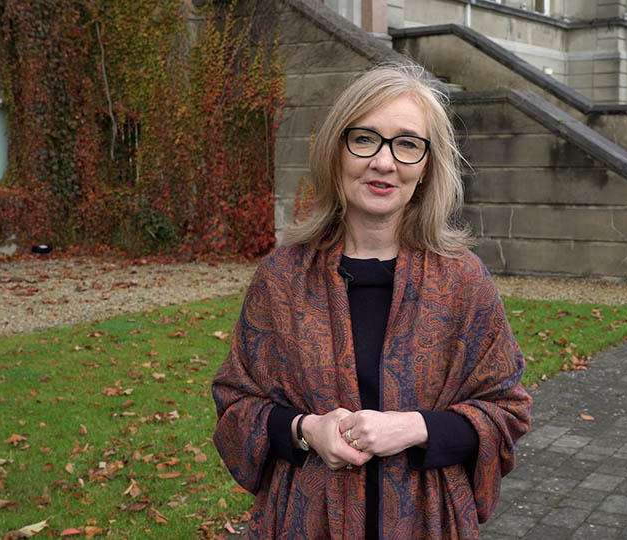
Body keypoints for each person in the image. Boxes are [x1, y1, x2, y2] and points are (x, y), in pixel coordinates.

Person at [212, 63, 532, 539]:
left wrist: (415, 427)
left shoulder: (462, 282)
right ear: (336, 151)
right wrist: (306, 430)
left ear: (426, 166)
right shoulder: (282, 278)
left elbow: (506, 410)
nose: (384, 162)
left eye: (407, 144)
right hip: (305, 521)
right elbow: (237, 403)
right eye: (365, 139)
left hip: (427, 522)